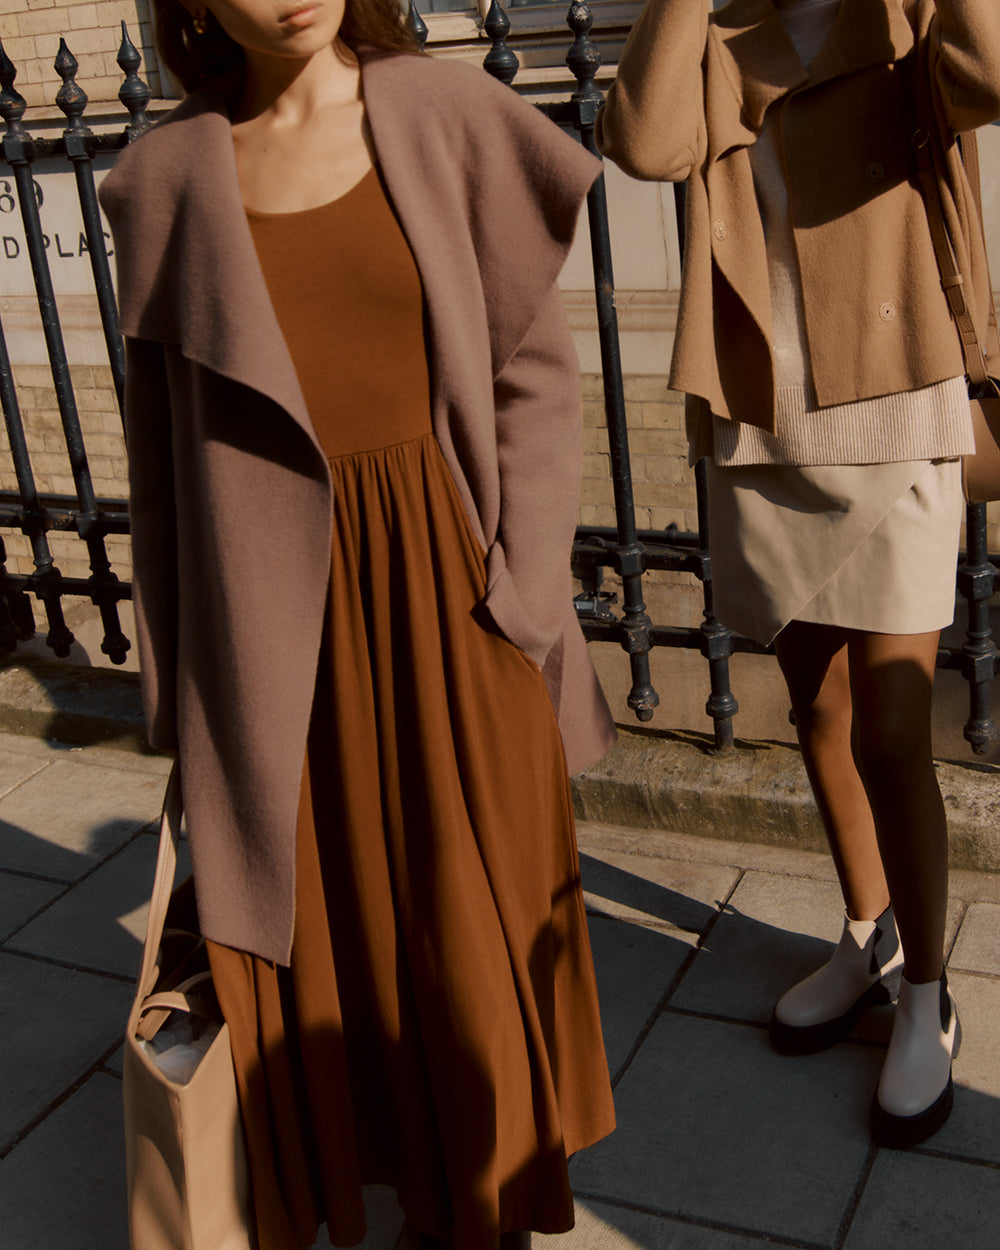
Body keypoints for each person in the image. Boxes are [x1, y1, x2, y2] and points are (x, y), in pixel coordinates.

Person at [99, 2, 618, 1246]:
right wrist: (182, 701)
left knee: (469, 962)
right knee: (342, 954)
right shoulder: (167, 179)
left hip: (456, 618)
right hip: (276, 654)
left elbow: (534, 375)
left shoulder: (443, 113)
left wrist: (525, 598)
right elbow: (160, 468)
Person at [597, 0, 1000, 1148]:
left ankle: (927, 992)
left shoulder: (909, 17)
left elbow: (987, 69)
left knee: (892, 725)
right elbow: (641, 141)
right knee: (815, 706)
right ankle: (866, 932)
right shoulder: (725, 29)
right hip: (766, 409)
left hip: (896, 394)